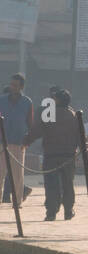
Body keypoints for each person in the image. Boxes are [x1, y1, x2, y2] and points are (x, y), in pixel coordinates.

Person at [22, 88, 79, 222]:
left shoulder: (49, 114)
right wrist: (85, 151)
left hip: (51, 155)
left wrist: (26, 141)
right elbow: (81, 135)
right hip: (69, 156)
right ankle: (68, 211)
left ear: (58, 100)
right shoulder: (74, 115)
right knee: (68, 184)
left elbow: (37, 130)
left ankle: (51, 212)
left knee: (51, 184)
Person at [0, 72, 34, 208]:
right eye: (11, 84)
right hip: (2, 142)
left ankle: (17, 201)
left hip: (19, 143)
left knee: (17, 175)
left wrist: (27, 141)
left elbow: (30, 123)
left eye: (15, 85)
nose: (12, 86)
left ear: (21, 87)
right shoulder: (1, 100)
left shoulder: (27, 102)